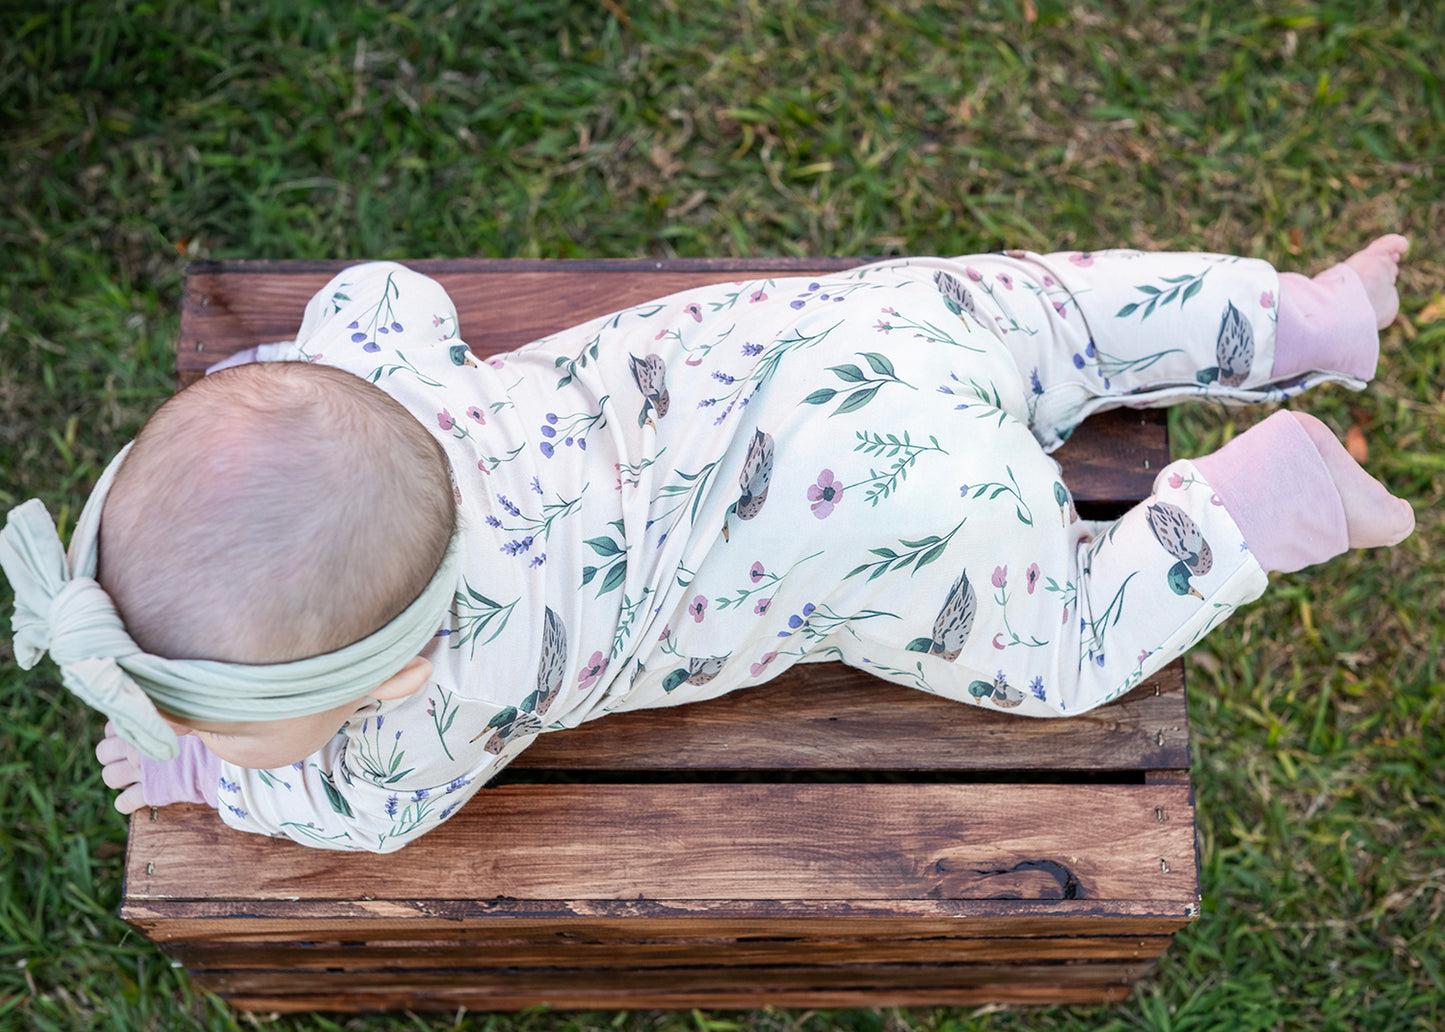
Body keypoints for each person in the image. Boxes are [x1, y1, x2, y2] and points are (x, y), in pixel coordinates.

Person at [0, 236, 1415, 853]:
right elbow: (377, 291)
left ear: (386, 678)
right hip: (850, 338)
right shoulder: (383, 376)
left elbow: (353, 818)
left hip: (893, 524)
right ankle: (1290, 318)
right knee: (1053, 314)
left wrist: (212, 781)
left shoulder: (432, 704)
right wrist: (276, 384)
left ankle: (1246, 510)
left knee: (1055, 655)